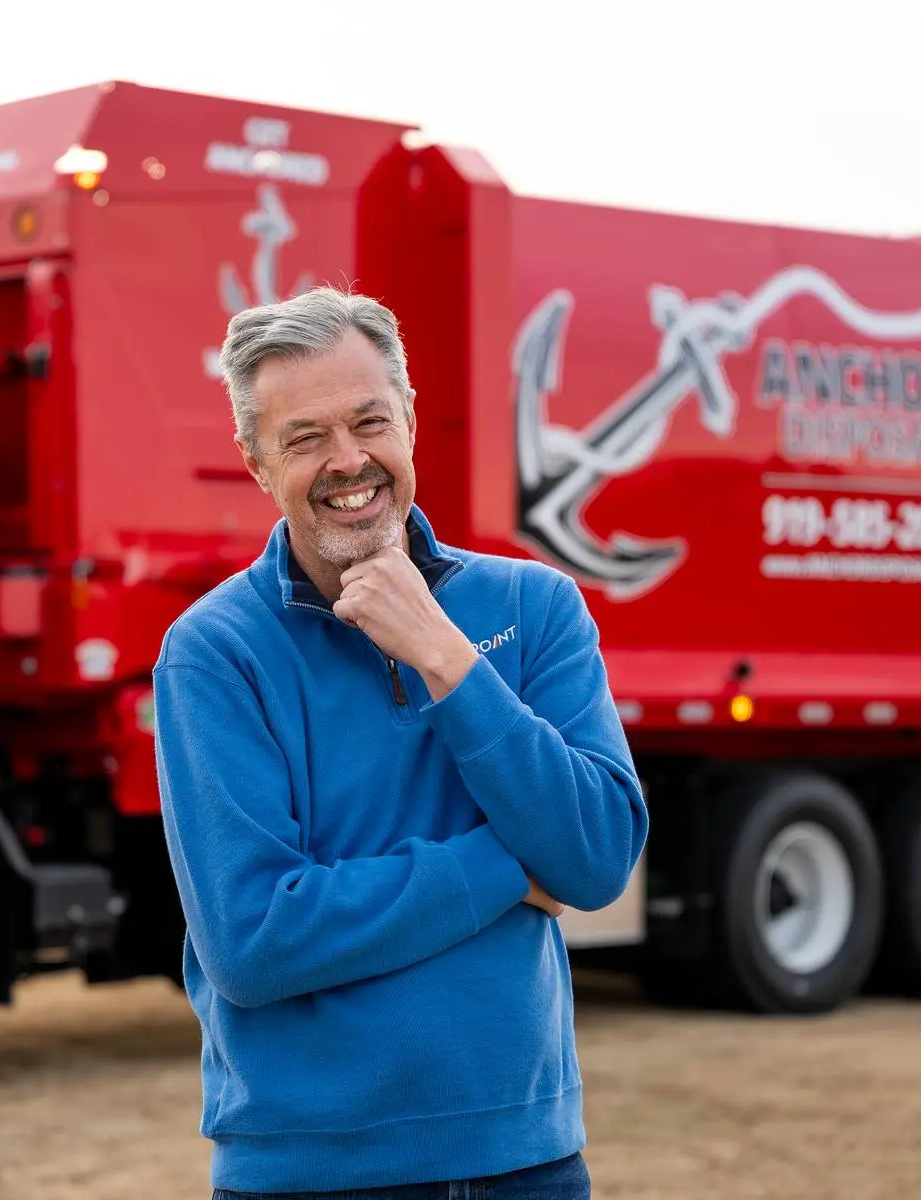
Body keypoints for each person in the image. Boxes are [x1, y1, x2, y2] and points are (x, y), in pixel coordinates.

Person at [153, 286, 649, 1199]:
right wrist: (506, 868)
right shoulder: (215, 653)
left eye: (370, 422)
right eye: (305, 438)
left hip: (528, 1162)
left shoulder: (533, 610)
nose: (349, 463)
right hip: (309, 1174)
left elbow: (596, 857)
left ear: (411, 421)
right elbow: (254, 940)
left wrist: (446, 658)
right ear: (256, 461)